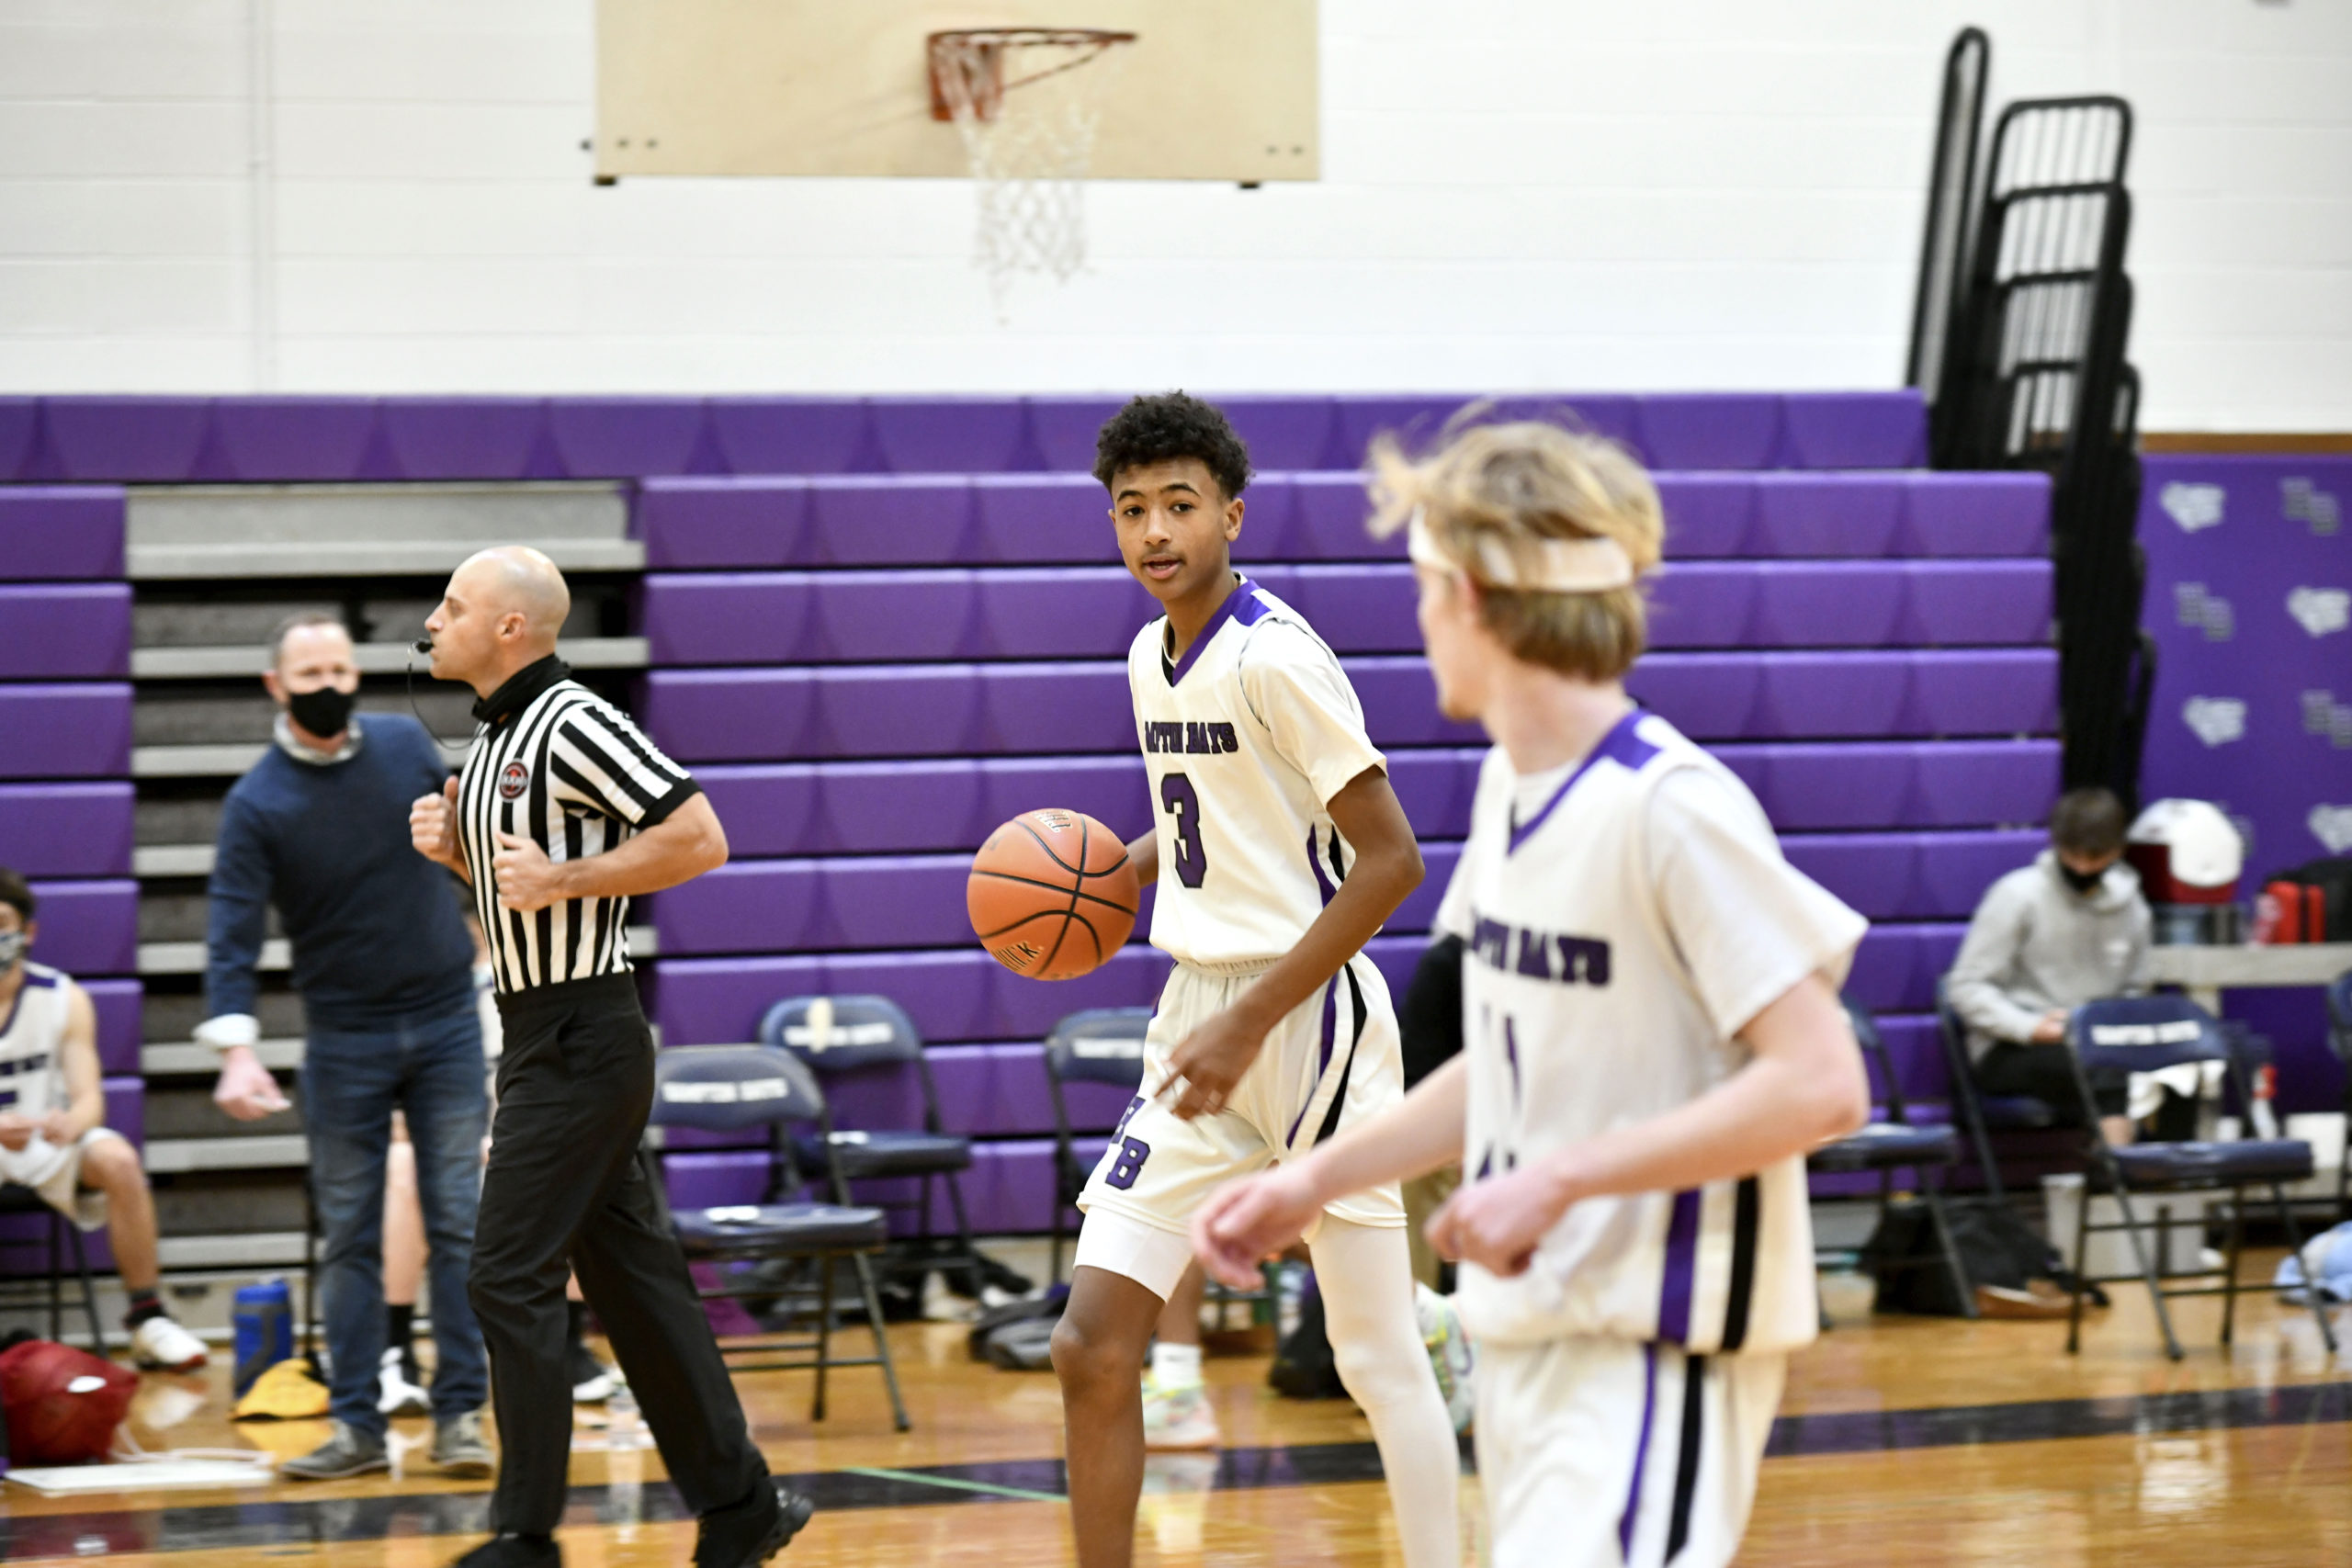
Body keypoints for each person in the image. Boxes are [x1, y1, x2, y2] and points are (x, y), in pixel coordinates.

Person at [1191, 418, 1871, 1568]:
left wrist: (1555, 1179)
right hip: (1526, 1333)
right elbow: (1514, 1060)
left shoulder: (1671, 810)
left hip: (1659, 1339)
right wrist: (1311, 1178)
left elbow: (1822, 1085)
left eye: (1423, 588)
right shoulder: (1512, 788)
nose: (1417, 620)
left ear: (1472, 598)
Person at [1049, 394, 1461, 1568]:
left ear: (1232, 512)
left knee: (1372, 1356)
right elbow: (1217, 825)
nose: (1153, 530)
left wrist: (1249, 1026)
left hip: (1311, 1018)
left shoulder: (1278, 656)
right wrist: (1108, 873)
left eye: (1178, 505)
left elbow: (1391, 864)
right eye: (1130, 510)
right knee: (1089, 1343)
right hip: (1196, 1014)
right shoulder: (1146, 652)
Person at [408, 546, 810, 1568]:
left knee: (505, 1272)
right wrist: (460, 856)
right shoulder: (497, 734)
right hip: (544, 1032)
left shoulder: (574, 721)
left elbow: (701, 837)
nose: (432, 622)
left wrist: (568, 878)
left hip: (584, 1033)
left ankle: (526, 1534)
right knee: (634, 1285)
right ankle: (740, 1505)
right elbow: (524, 891)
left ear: (510, 627)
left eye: (452, 607)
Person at [202, 613, 493, 1481]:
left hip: (446, 1021)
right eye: (311, 672)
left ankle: (462, 1419)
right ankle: (358, 1426)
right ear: (276, 686)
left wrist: (491, 935)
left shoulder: (408, 746)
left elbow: (465, 846)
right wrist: (236, 1049)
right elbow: (230, 932)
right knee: (350, 1239)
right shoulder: (257, 802)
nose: (330, 683)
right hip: (344, 1037)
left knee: (460, 1224)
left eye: (340, 667)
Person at [379, 911, 616, 1418]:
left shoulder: (559, 979)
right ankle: (395, 1350)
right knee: (402, 1166)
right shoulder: (421, 994)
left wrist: (512, 1141)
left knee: (577, 1162)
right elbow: (398, 1115)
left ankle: (569, 1343)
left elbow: (578, 1094)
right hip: (447, 1145)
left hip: (523, 1141)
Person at [0, 869, 208, 1373]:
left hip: (37, 1144)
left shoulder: (62, 996)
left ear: (28, 932)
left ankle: (147, 1318)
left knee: (117, 1157)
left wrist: (71, 1123)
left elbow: (91, 1098)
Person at [1949, 786, 2154, 1147]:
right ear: (2055, 843)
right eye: (2073, 854)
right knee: (2101, 1071)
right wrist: (2030, 1027)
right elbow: (1966, 988)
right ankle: (2122, 1179)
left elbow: (2134, 989)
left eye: (2096, 856)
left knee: (2190, 1068)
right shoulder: (2017, 894)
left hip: (2097, 1041)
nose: (2082, 867)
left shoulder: (2133, 906)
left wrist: (2115, 1026)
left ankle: (2177, 1180)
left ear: (2118, 851)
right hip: (2011, 1045)